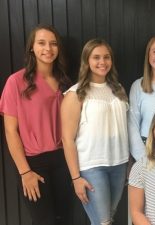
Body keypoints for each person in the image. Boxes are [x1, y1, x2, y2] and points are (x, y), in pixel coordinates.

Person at [0, 24, 72, 225]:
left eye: (53, 44)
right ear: (31, 47)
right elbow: (10, 131)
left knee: (64, 219)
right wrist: (25, 172)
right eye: (41, 43)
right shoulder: (15, 82)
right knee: (44, 221)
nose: (48, 49)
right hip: (33, 163)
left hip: (63, 159)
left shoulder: (64, 82)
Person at [61, 39, 129, 225]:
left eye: (106, 57)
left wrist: (129, 161)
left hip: (119, 164)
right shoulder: (75, 94)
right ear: (87, 61)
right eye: (96, 57)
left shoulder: (119, 89)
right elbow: (67, 139)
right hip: (92, 167)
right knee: (103, 221)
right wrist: (76, 178)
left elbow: (125, 127)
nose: (102, 62)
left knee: (109, 216)